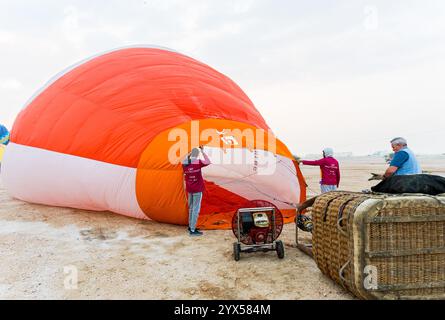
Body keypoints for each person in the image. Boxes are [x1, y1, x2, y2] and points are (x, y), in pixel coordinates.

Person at [182, 146, 211, 236]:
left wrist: (190, 153)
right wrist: (202, 151)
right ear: (197, 154)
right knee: (195, 209)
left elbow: (186, 159)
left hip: (190, 189)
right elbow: (208, 162)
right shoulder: (197, 162)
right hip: (197, 189)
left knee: (191, 208)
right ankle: (193, 230)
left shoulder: (185, 163)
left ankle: (190, 226)